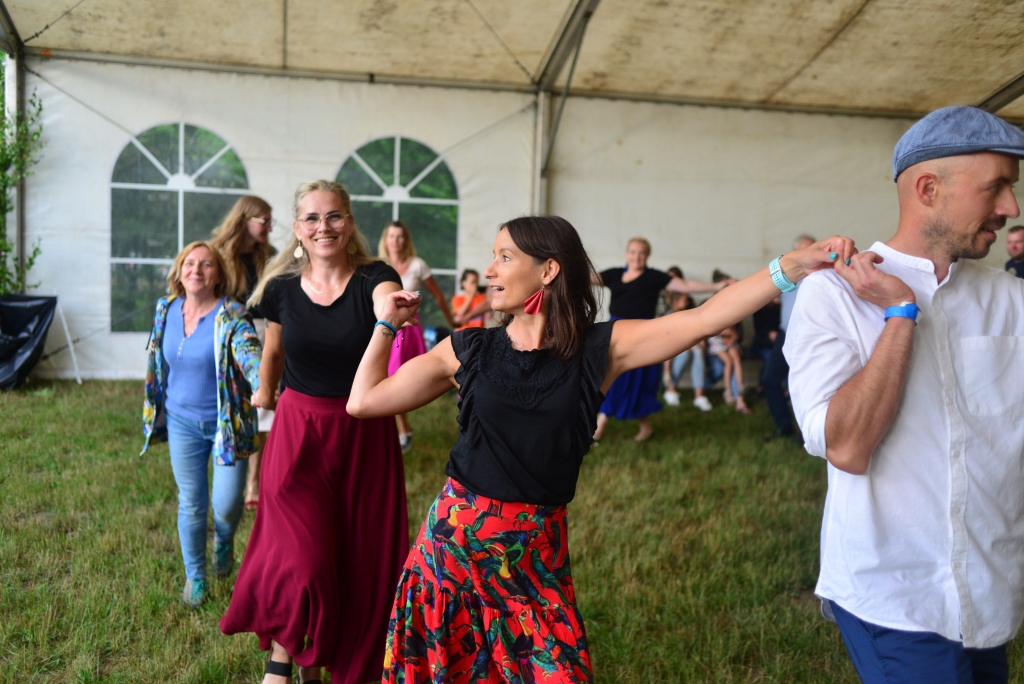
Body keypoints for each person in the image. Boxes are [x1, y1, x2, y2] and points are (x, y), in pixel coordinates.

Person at [347, 215, 854, 684]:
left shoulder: (598, 349)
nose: (490, 270)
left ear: (548, 270)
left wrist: (792, 266)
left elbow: (706, 318)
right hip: (452, 553)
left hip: (533, 560)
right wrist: (386, 325)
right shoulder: (468, 348)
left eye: (504, 257)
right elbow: (363, 402)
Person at [786, 106, 1024, 684]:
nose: (1011, 208)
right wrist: (900, 313)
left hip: (991, 587)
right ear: (928, 189)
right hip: (893, 593)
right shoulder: (832, 294)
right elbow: (846, 447)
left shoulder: (1011, 300)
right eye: (996, 187)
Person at [220, 181, 408, 684]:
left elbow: (386, 303)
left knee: (357, 556)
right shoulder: (281, 287)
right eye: (312, 218)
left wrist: (392, 312)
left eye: (334, 216)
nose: (323, 227)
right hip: (298, 433)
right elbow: (274, 351)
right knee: (301, 555)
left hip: (362, 433)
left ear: (349, 223)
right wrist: (264, 390)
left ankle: (326, 658)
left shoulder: (375, 278)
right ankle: (281, 664)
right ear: (299, 229)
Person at [140, 241, 261, 609]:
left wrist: (261, 382)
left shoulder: (232, 314)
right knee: (191, 503)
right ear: (179, 271)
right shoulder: (165, 309)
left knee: (226, 504)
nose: (196, 270)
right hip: (181, 422)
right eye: (189, 263)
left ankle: (223, 540)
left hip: (227, 425)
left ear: (218, 274)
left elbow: (249, 352)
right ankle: (195, 576)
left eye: (206, 264)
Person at [593, 238, 725, 442]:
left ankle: (603, 427)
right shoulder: (615, 274)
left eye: (641, 253)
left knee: (636, 382)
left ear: (647, 255)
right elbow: (587, 278)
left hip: (641, 335)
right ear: (627, 253)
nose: (637, 257)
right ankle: (618, 426)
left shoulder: (653, 277)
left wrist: (718, 285)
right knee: (612, 378)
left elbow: (685, 285)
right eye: (633, 252)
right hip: (616, 335)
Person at [210, 195, 277, 511]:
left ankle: (253, 481)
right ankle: (230, 474)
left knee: (262, 407)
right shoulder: (219, 254)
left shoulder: (271, 256)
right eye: (264, 221)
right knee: (233, 403)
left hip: (266, 334)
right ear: (244, 219)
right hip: (230, 336)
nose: (269, 227)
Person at [378, 220, 457, 452]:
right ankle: (403, 429)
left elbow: (438, 296)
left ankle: (402, 429)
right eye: (391, 236)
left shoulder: (418, 264)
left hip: (409, 328)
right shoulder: (379, 266)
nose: (396, 241)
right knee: (387, 375)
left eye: (400, 236)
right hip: (385, 325)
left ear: (406, 240)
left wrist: (451, 320)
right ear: (385, 240)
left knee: (399, 376)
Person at [762, 234, 815, 441]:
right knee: (770, 380)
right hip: (786, 336)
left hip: (810, 337)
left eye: (811, 249)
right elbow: (765, 295)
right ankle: (783, 427)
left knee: (807, 384)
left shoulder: (824, 276)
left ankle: (808, 433)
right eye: (802, 250)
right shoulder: (785, 276)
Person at [662, 291, 712, 412]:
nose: (687, 302)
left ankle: (699, 395)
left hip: (690, 344)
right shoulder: (668, 317)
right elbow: (667, 343)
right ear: (676, 302)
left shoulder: (689, 313)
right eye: (685, 300)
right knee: (685, 353)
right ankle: (671, 389)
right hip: (673, 349)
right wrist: (666, 370)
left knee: (698, 352)